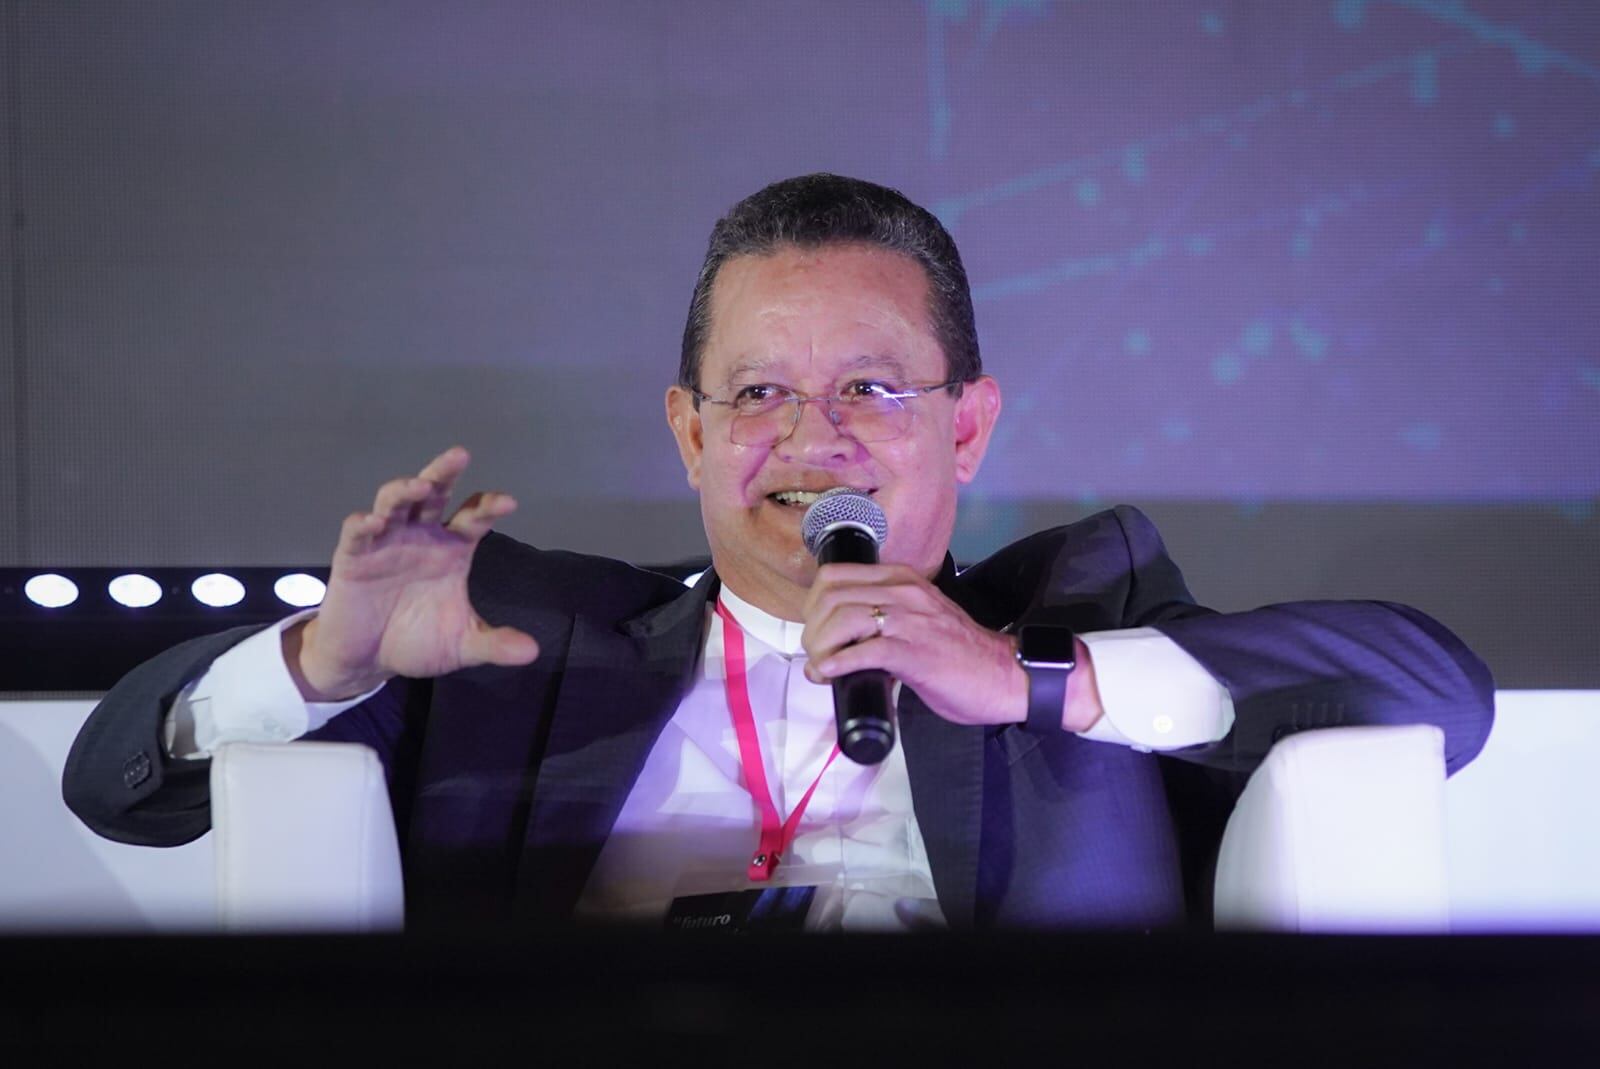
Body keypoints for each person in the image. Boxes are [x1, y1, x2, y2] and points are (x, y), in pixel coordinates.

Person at [63, 174, 1494, 931]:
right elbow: (116, 786)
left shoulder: (1073, 610)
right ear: (689, 432)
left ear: (968, 427)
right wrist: (322, 659)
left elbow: (1436, 690)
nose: (815, 441)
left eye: (872, 388)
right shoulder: (521, 638)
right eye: (759, 393)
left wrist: (1026, 681)